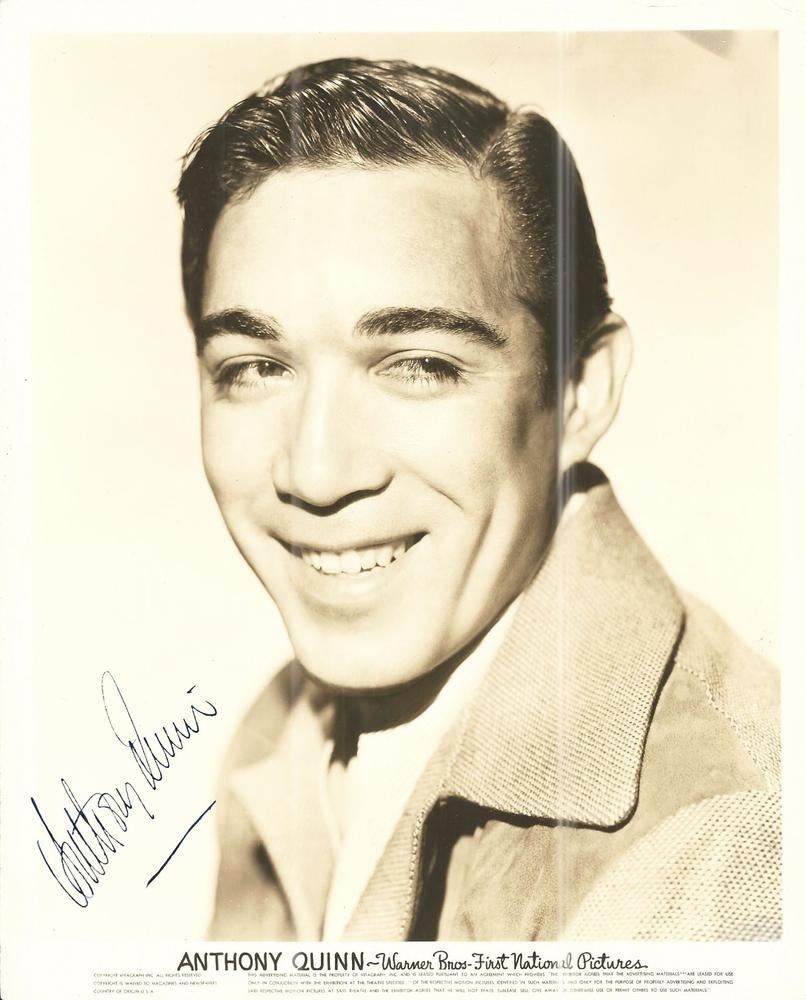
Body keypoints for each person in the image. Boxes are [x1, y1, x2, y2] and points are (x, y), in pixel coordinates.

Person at [175, 57, 780, 941]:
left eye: (421, 365)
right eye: (256, 368)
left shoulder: (727, 850)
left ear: (579, 389)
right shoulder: (287, 731)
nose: (317, 472)